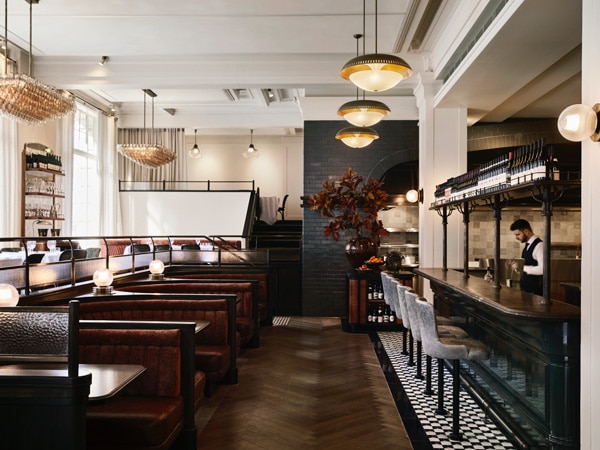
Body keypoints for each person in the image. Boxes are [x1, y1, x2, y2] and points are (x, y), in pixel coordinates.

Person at [509, 219, 544, 296]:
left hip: (536, 293)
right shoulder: (528, 245)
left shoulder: (540, 245)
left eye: (518, 234)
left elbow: (543, 269)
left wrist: (521, 267)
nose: (516, 238)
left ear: (526, 232)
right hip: (528, 292)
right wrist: (518, 266)